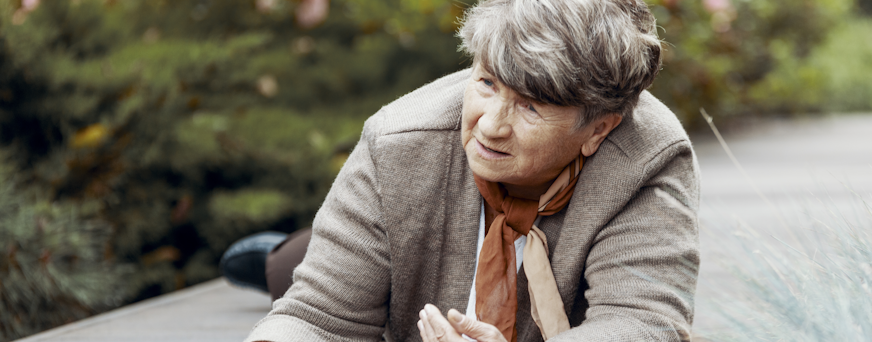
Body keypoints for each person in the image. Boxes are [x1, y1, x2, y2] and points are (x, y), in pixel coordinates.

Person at [233, 0, 700, 340]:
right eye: (487, 82)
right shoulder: (400, 141)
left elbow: (644, 321)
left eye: (531, 108)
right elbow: (318, 317)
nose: (491, 127)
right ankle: (278, 256)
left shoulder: (649, 160)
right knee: (297, 267)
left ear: (598, 129)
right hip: (398, 255)